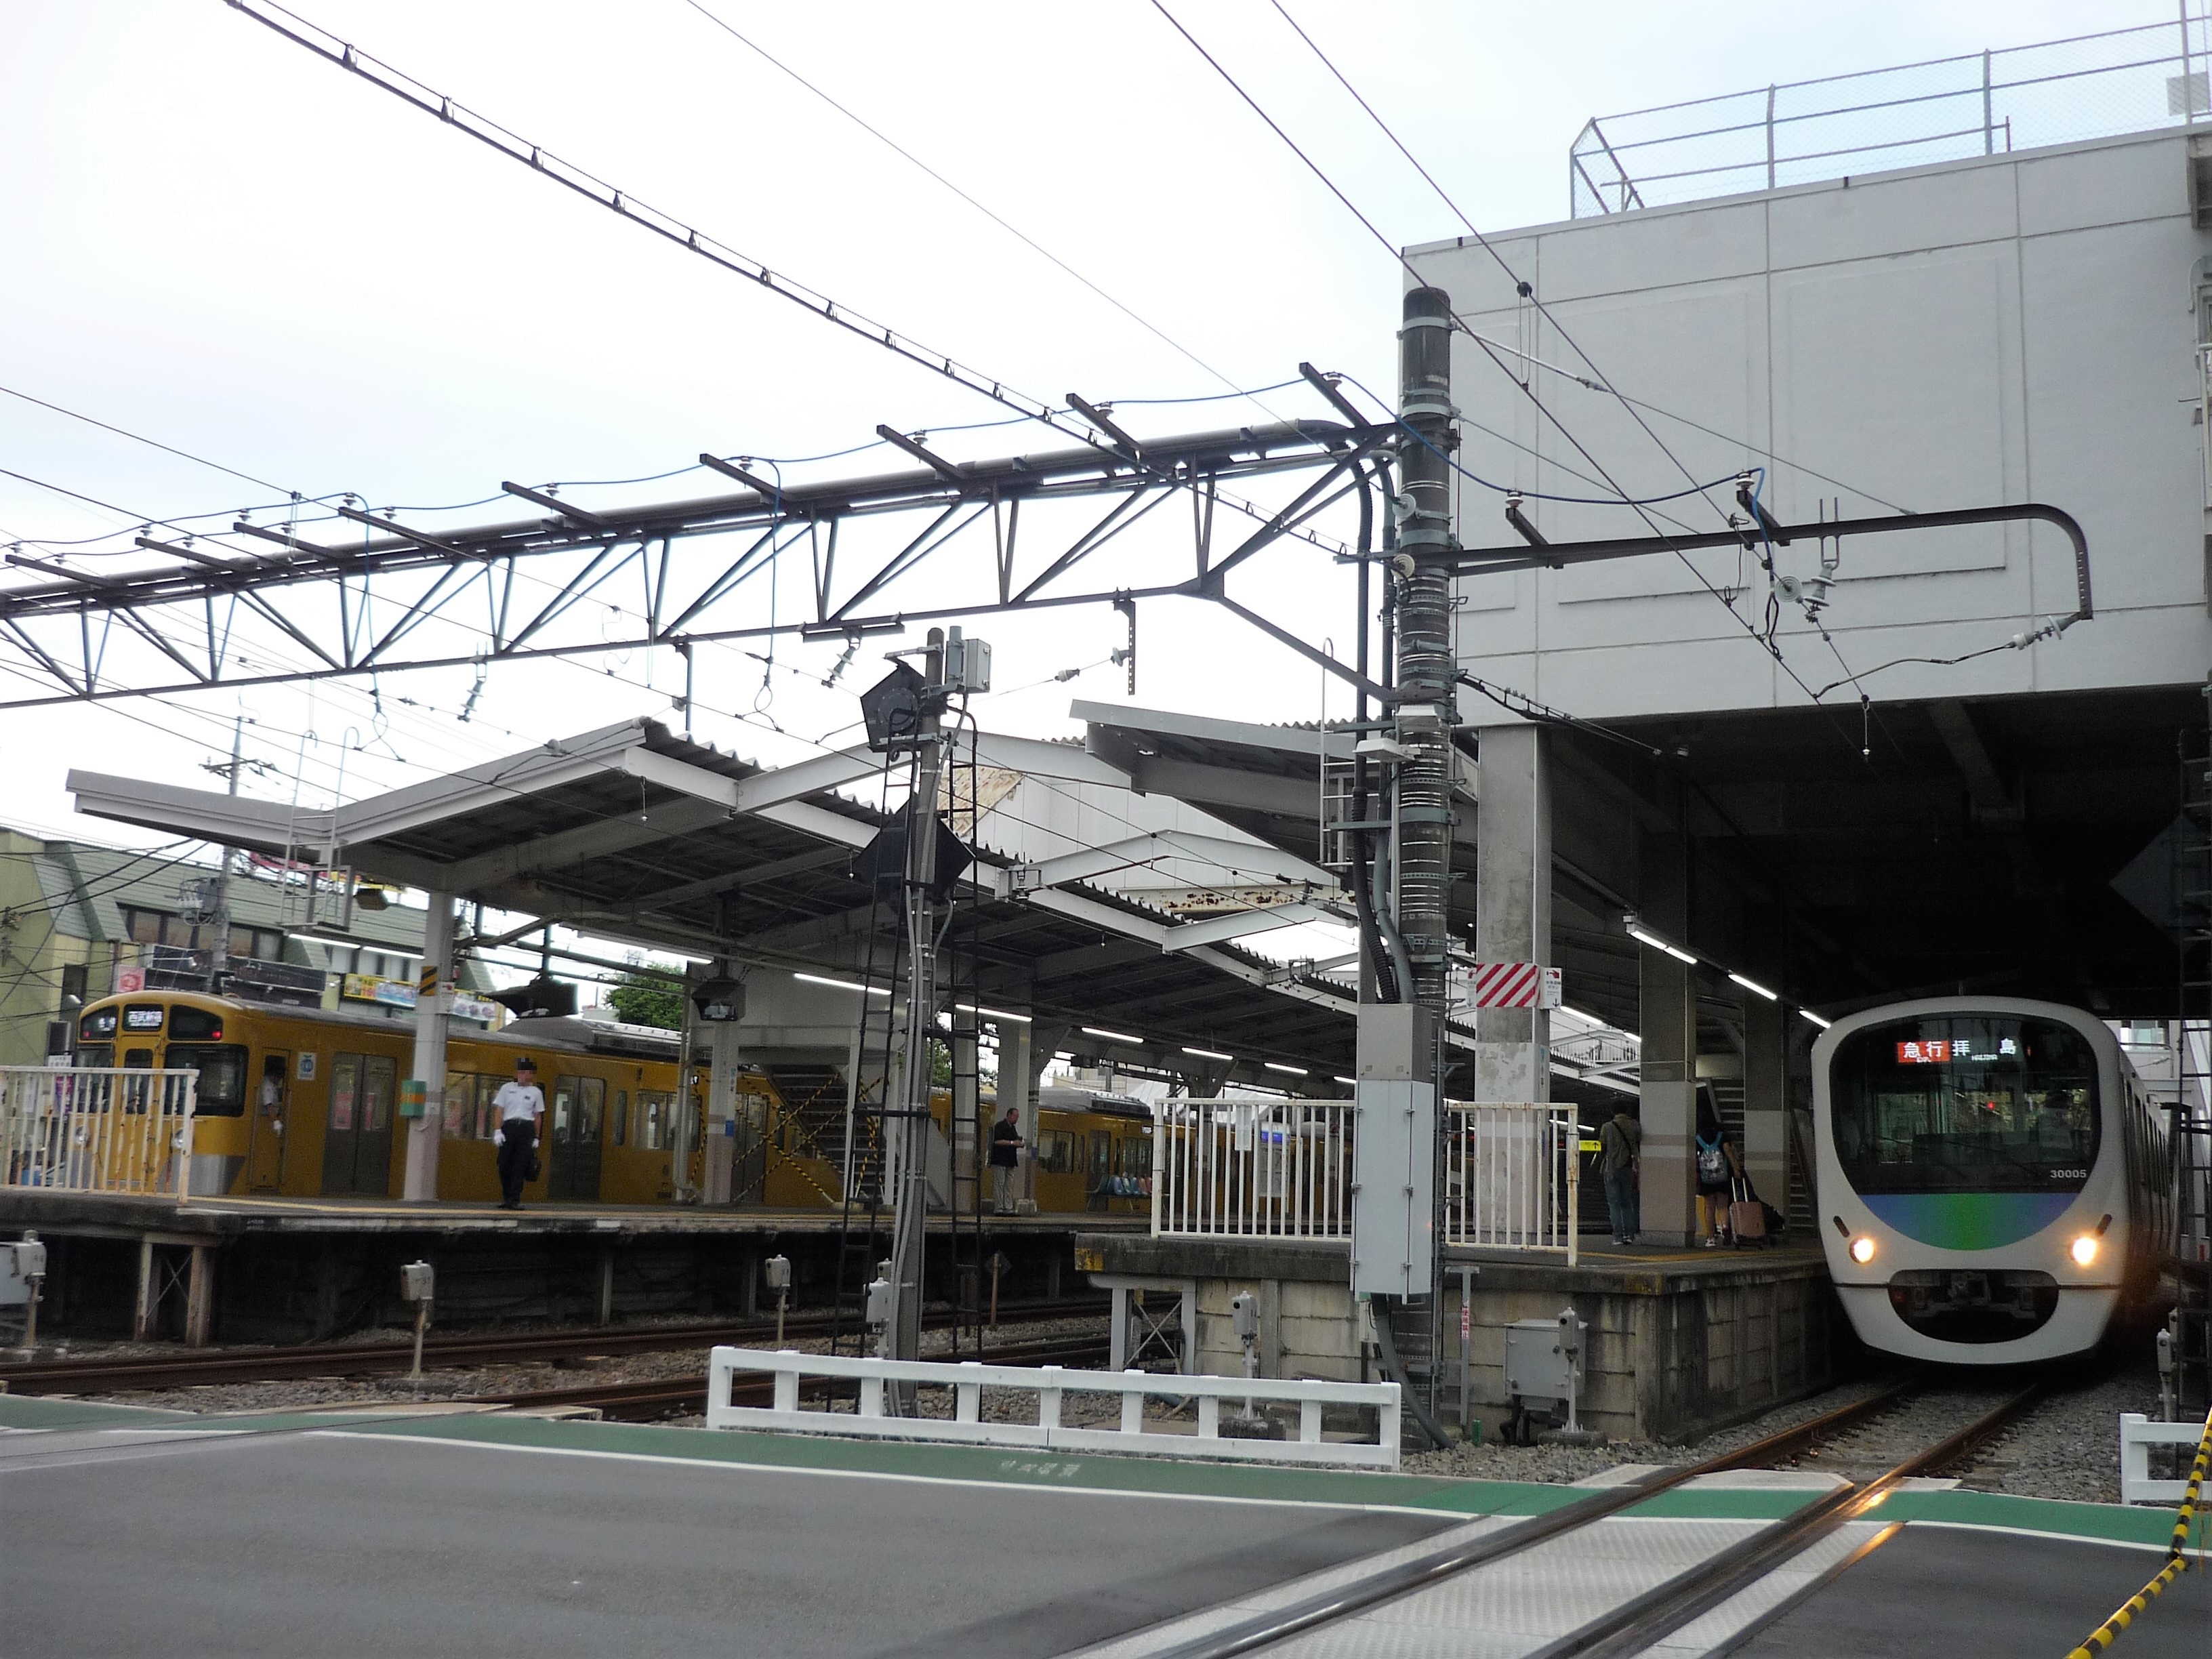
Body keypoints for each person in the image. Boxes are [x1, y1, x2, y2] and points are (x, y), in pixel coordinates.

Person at [492, 1057, 546, 1211]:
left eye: (526, 1072)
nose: (522, 1075)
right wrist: (497, 1131)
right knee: (504, 1165)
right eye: (520, 1072)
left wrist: (536, 1137)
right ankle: (506, 1196)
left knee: (520, 1166)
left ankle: (513, 1200)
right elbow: (499, 1111)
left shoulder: (536, 1092)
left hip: (526, 1129)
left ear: (531, 1075)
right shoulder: (506, 1088)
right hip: (509, 1127)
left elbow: (537, 1116)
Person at [1693, 1103, 1744, 1247]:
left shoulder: (1698, 1139)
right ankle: (1725, 1229)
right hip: (1722, 1176)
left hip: (1706, 1177)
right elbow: (1728, 1152)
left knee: (1710, 1207)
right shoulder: (1722, 1135)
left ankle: (1710, 1239)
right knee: (1722, 1206)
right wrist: (1736, 1169)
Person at [1598, 1108, 1641, 1246]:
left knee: (1614, 1204)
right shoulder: (1634, 1126)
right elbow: (1639, 1142)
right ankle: (1629, 1235)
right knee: (1627, 1203)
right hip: (1628, 1168)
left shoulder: (1607, 1127)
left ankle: (1617, 1236)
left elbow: (1602, 1147)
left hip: (1611, 1168)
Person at [989, 1105, 1023, 1215]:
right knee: (1000, 1183)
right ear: (1009, 1115)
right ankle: (999, 1207)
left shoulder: (1013, 1128)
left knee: (1009, 1184)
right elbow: (997, 1141)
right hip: (1000, 1159)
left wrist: (1019, 1143)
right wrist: (1013, 1143)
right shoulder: (999, 1126)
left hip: (1010, 1160)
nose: (1017, 1119)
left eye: (1018, 1117)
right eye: (1015, 1116)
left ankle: (1008, 1206)